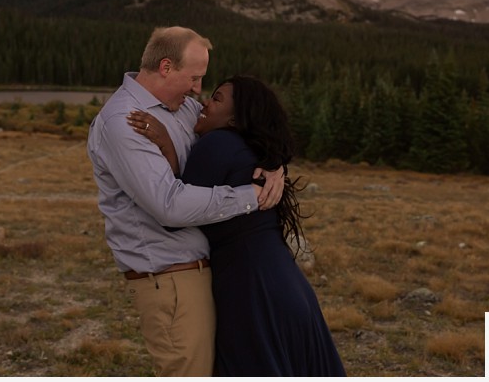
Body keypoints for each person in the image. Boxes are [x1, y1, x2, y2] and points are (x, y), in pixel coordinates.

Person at [86, 26, 284, 377]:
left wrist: (274, 165)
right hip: (171, 279)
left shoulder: (183, 109)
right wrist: (252, 196)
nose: (199, 90)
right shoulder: (123, 121)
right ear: (165, 67)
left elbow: (247, 129)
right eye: (194, 78)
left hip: (199, 273)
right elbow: (169, 205)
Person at [128, 75, 346, 376]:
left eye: (216, 99)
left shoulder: (216, 144)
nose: (205, 103)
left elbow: (177, 213)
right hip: (287, 284)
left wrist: (165, 143)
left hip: (252, 287)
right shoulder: (249, 149)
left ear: (235, 119)